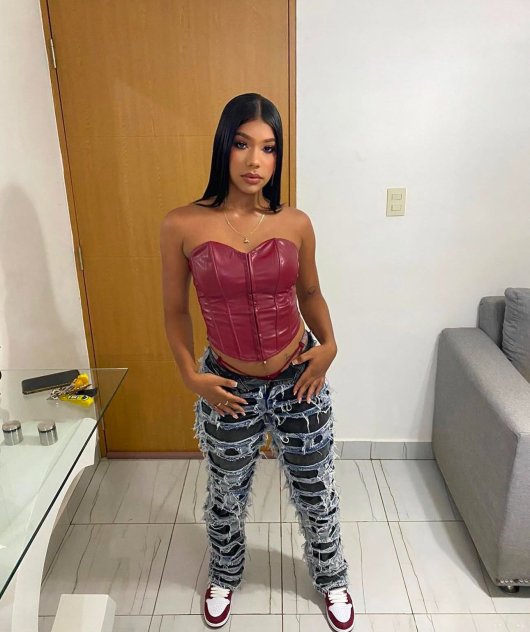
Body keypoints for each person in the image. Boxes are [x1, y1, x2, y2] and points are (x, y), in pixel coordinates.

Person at [160, 93, 354, 632]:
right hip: (227, 384)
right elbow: (174, 310)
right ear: (223, 145)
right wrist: (190, 375)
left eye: (268, 148)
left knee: (316, 487)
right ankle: (224, 573)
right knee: (226, 492)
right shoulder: (181, 224)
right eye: (242, 144)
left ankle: (332, 576)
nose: (254, 161)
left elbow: (309, 291)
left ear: (278, 156)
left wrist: (329, 344)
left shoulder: (296, 222)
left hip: (299, 375)